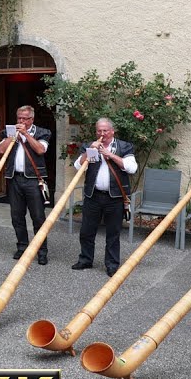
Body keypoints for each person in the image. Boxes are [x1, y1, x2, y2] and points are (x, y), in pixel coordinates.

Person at [71, 118, 137, 276]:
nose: (102, 134)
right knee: (86, 231)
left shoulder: (124, 146)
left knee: (113, 233)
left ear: (112, 131)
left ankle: (112, 264)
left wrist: (110, 155)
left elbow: (131, 168)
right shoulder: (89, 146)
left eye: (105, 130)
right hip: (93, 196)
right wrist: (88, 152)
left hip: (114, 198)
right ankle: (85, 259)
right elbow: (77, 166)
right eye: (99, 131)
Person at [0, 105, 51, 265]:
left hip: (34, 180)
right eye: (19, 118)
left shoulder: (43, 132)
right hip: (15, 178)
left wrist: (26, 134)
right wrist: (12, 135)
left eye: (24, 119)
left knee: (38, 217)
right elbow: (1, 150)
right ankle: (22, 247)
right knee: (17, 216)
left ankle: (41, 251)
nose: (21, 121)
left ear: (31, 119)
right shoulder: (9, 131)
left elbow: (41, 150)